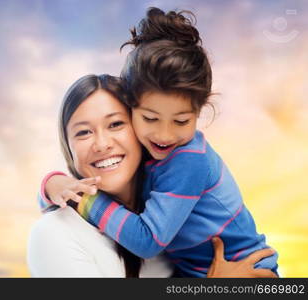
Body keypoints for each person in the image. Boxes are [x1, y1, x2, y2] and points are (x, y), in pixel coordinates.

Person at [37, 8, 278, 277]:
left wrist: (84, 199)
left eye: (181, 121)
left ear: (200, 113)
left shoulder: (188, 160)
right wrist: (53, 185)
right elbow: (57, 199)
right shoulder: (147, 157)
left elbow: (147, 241)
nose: (164, 136)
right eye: (150, 119)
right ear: (131, 108)